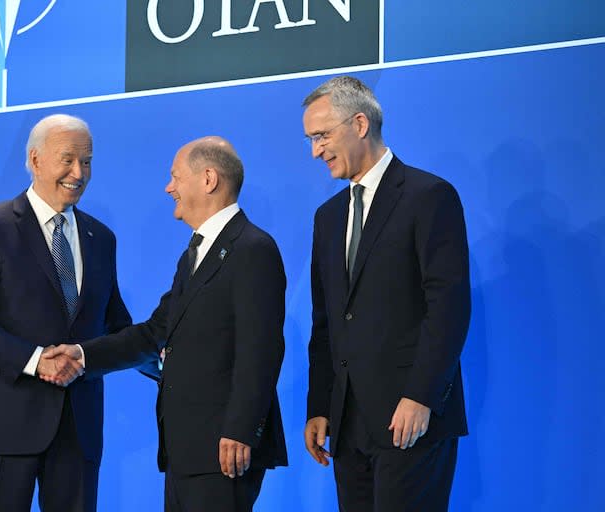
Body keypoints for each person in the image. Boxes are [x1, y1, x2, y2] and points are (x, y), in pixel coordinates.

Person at [43, 136, 288, 512]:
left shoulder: (252, 248)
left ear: (208, 179)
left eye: (175, 177)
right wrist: (80, 354)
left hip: (224, 448)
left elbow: (262, 349)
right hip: (187, 449)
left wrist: (240, 430)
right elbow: (153, 332)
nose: (168, 187)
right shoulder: (195, 253)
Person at [0, 114, 133, 512]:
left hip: (78, 429)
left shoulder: (101, 238)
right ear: (35, 158)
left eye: (88, 161)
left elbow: (116, 325)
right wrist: (34, 361)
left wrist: (165, 355)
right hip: (4, 426)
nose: (79, 172)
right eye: (68, 159)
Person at [302, 76, 471, 511]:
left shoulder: (428, 196)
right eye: (311, 139)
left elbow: (448, 307)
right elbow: (327, 322)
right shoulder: (327, 217)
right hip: (347, 421)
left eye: (322, 136)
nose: (315, 151)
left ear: (359, 123)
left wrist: (421, 396)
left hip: (410, 417)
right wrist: (320, 406)